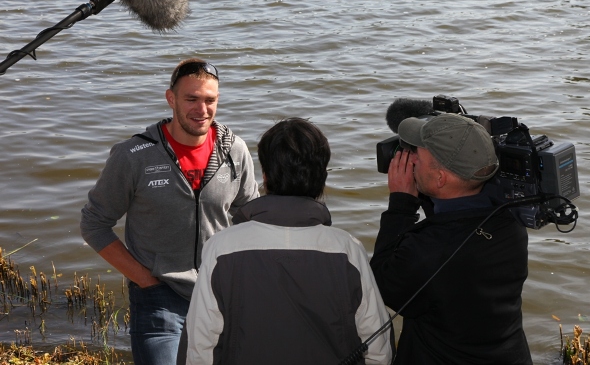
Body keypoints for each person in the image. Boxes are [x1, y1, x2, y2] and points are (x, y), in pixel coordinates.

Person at [80, 58, 259, 365]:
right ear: (171, 98)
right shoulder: (133, 155)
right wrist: (145, 280)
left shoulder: (235, 151)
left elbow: (252, 219)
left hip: (220, 294)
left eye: (210, 100)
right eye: (191, 99)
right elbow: (94, 224)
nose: (202, 110)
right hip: (159, 296)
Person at [177, 117, 394, 365]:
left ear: (265, 176)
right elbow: (380, 351)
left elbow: (198, 350)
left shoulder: (221, 249)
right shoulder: (348, 250)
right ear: (322, 177)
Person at [369, 113, 532, 365]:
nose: (409, 158)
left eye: (416, 154)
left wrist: (401, 205)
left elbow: (383, 286)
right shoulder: (511, 221)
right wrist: (427, 190)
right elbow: (454, 217)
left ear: (441, 178)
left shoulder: (426, 252)